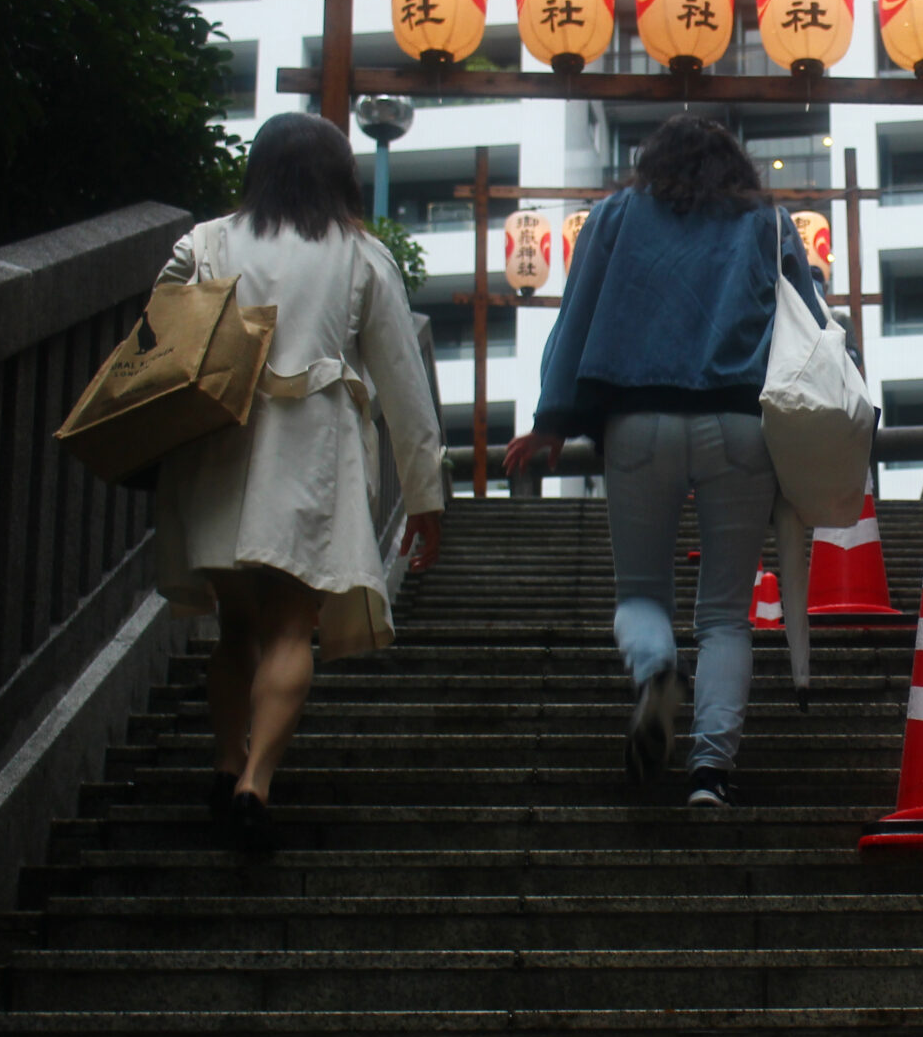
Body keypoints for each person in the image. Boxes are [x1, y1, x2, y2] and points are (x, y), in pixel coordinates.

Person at [505, 116, 828, 808]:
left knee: (641, 595)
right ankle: (710, 773)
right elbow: (812, 323)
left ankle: (655, 669)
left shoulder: (617, 215)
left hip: (639, 421)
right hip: (743, 425)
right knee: (724, 616)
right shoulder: (767, 224)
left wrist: (550, 420)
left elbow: (579, 311)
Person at [153, 112, 446, 850]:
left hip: (221, 443)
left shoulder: (208, 240)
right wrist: (425, 498)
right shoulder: (360, 255)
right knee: (291, 624)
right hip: (310, 452)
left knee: (235, 627)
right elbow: (405, 391)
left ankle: (224, 761)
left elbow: (160, 324)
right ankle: (258, 778)